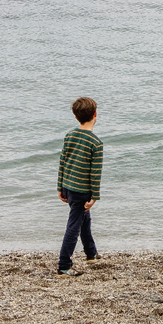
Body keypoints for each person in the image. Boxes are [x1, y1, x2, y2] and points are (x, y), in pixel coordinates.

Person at [56, 96, 103, 276]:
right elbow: (95, 173)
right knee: (74, 226)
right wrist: (94, 197)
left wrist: (60, 186)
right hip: (82, 191)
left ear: (76, 117)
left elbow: (63, 162)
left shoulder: (70, 136)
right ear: (95, 114)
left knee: (85, 220)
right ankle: (64, 264)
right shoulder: (96, 143)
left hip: (68, 186)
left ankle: (91, 253)